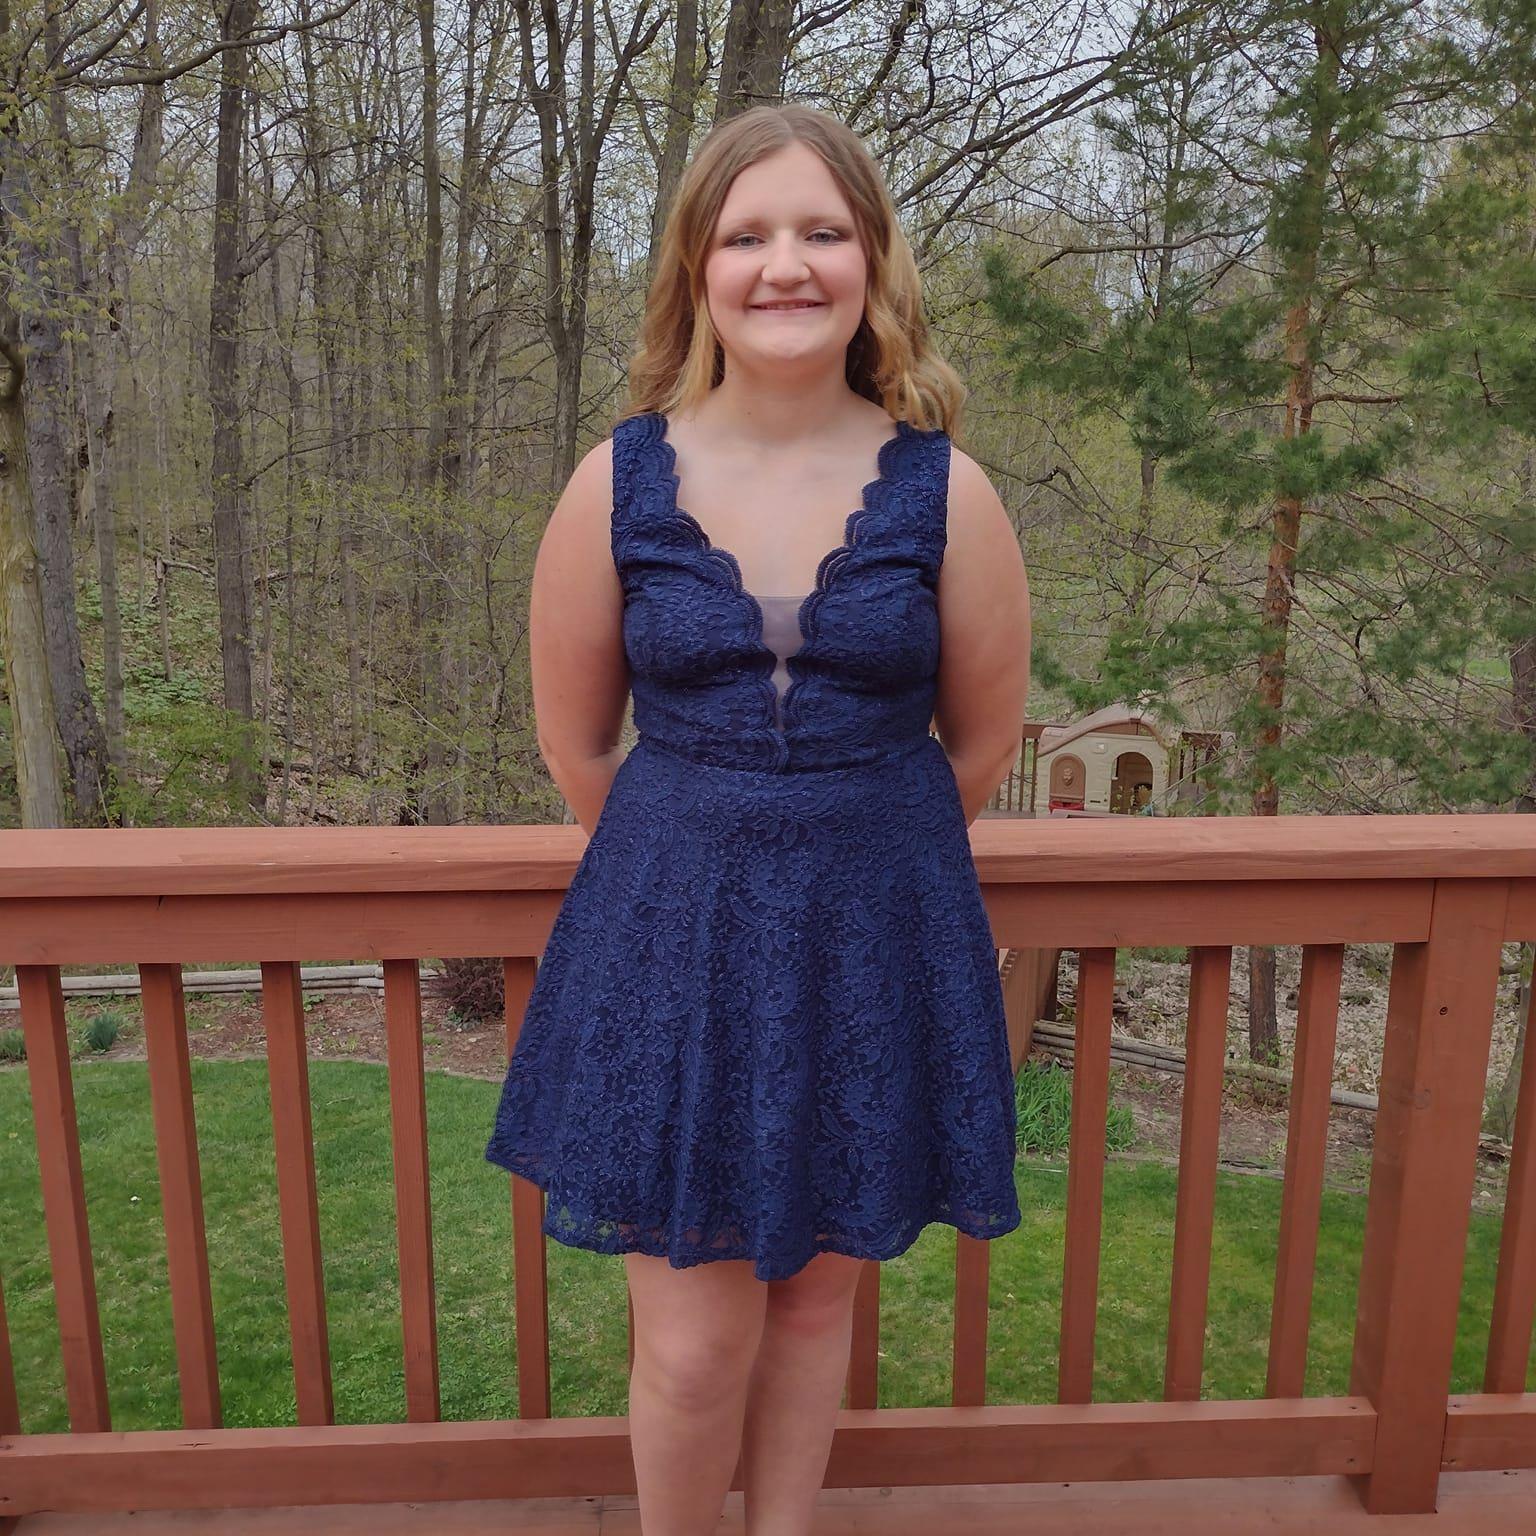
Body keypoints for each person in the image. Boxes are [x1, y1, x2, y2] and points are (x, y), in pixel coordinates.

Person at [485, 102, 1032, 1536]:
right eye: (746, 236)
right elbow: (574, 742)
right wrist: (704, 844)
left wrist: (852, 845)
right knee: (691, 1343)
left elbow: (981, 742)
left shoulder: (950, 492)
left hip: (868, 942)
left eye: (822, 232)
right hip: (669, 945)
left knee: (811, 1312)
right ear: (698, 268)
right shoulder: (617, 481)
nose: (785, 265)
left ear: (871, 262)